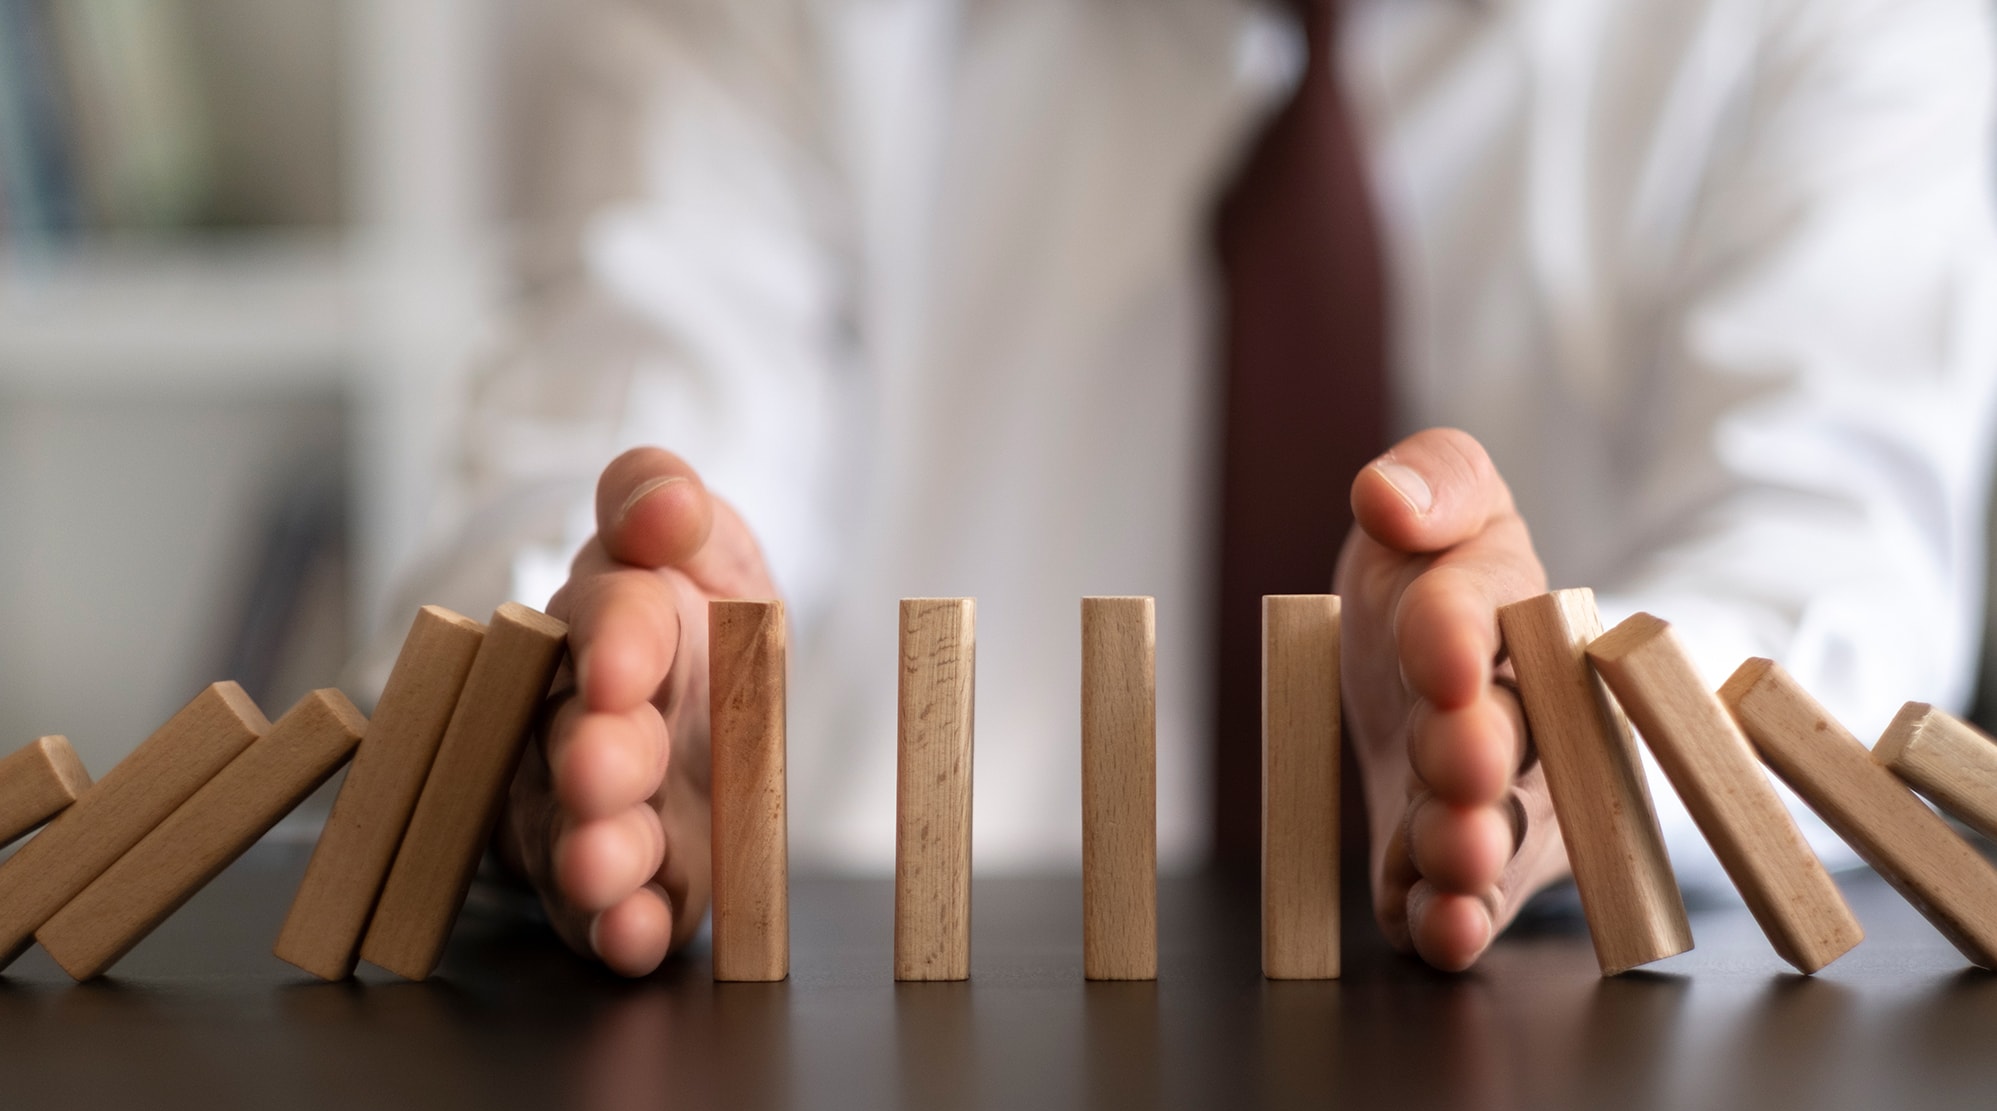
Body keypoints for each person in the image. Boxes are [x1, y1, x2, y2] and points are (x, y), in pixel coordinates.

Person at [377, 0, 1997, 977]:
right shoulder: (762, 29)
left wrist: (1559, 731)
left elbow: (1827, 569)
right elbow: (590, 451)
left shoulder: (1835, 27)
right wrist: (590, 690)